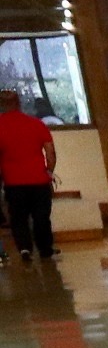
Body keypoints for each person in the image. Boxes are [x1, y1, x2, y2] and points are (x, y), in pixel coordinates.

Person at [0, 89, 57, 265]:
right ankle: (45, 249)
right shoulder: (36, 124)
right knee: (41, 216)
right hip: (39, 179)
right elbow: (50, 152)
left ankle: (25, 249)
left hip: (13, 181)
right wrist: (49, 170)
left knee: (18, 218)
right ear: (19, 103)